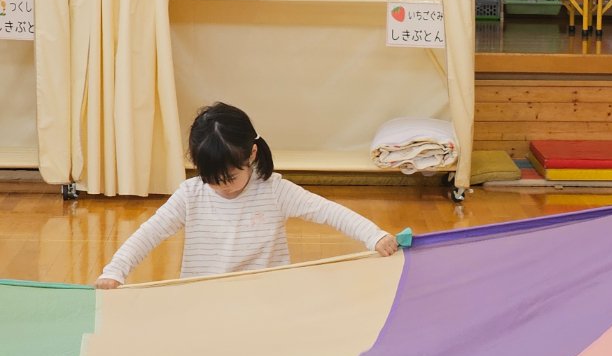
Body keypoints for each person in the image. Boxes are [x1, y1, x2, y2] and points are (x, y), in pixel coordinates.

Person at [95, 103, 399, 288]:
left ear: (251, 154)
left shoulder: (274, 190)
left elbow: (329, 212)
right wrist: (116, 270)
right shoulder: (190, 195)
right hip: (202, 297)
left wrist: (373, 235)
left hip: (265, 297)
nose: (222, 187)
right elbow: (149, 233)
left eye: (229, 178)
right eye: (212, 180)